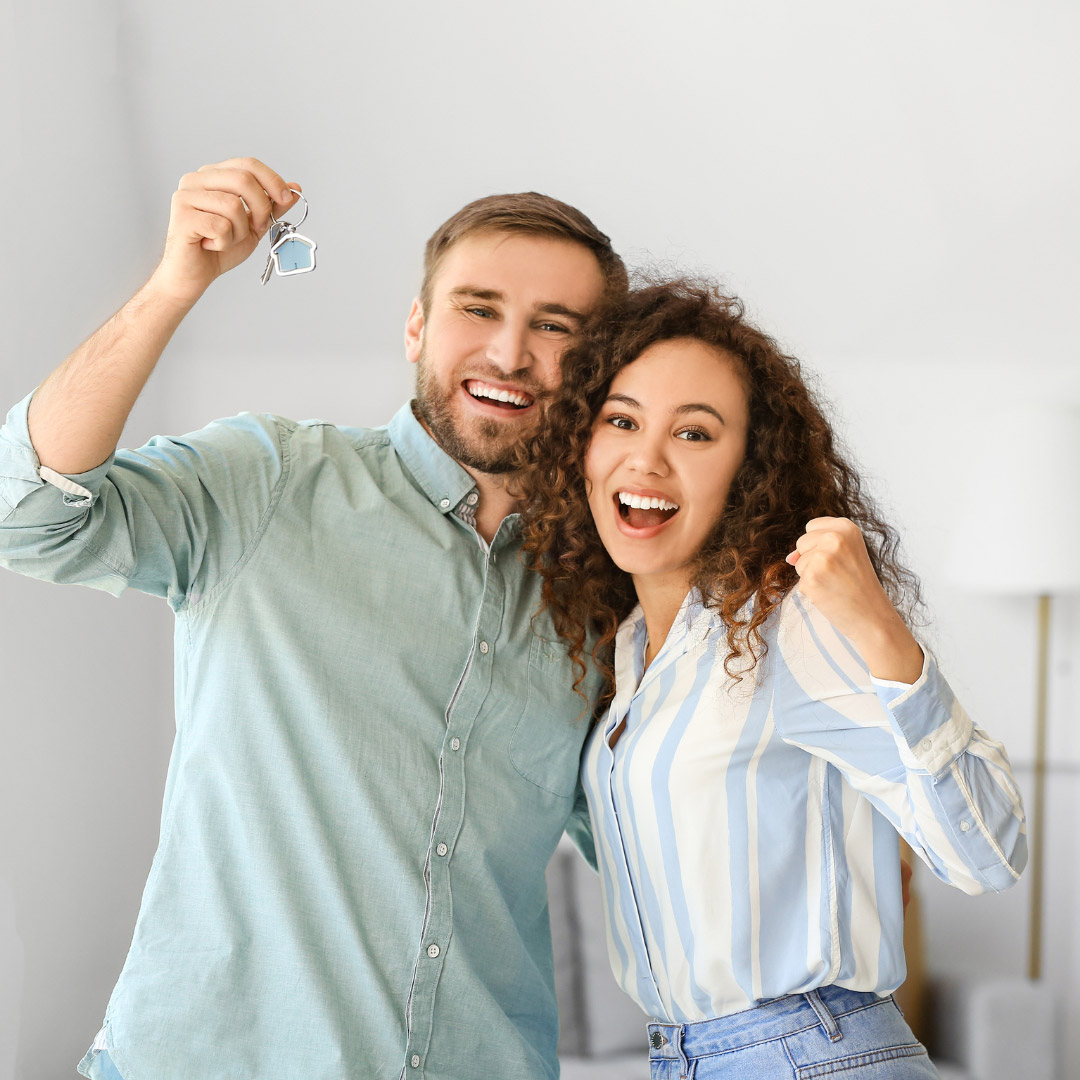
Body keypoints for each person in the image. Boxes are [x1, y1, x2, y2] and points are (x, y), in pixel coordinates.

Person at [0, 157, 628, 1080]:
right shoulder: (269, 478)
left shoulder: (606, 595)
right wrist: (178, 282)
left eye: (555, 328)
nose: (508, 353)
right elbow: (26, 516)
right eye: (478, 308)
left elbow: (644, 842)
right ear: (416, 325)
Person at [518, 279, 1026, 1079]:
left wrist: (878, 627)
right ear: (580, 445)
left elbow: (989, 854)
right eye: (621, 420)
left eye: (695, 433)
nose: (645, 458)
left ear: (747, 471)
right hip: (687, 1057)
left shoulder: (789, 626)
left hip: (812, 1054)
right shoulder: (625, 656)